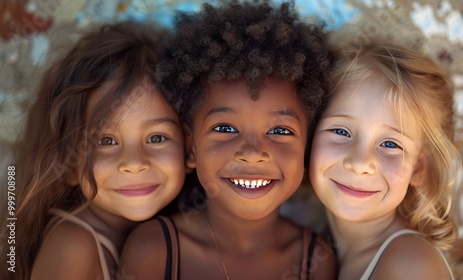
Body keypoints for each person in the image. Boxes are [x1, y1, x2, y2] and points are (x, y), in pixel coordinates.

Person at [119, 1, 336, 279]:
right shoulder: (154, 250)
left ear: (308, 148)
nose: (252, 152)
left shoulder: (315, 260)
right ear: (191, 147)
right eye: (224, 128)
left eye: (280, 131)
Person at [5, 22, 188, 280]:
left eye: (157, 137)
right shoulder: (73, 246)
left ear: (189, 148)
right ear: (68, 164)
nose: (134, 163)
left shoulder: (168, 235)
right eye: (106, 141)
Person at [308, 39, 461, 280]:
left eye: (390, 144)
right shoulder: (310, 235)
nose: (360, 164)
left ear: (418, 167)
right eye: (341, 131)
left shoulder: (410, 266)